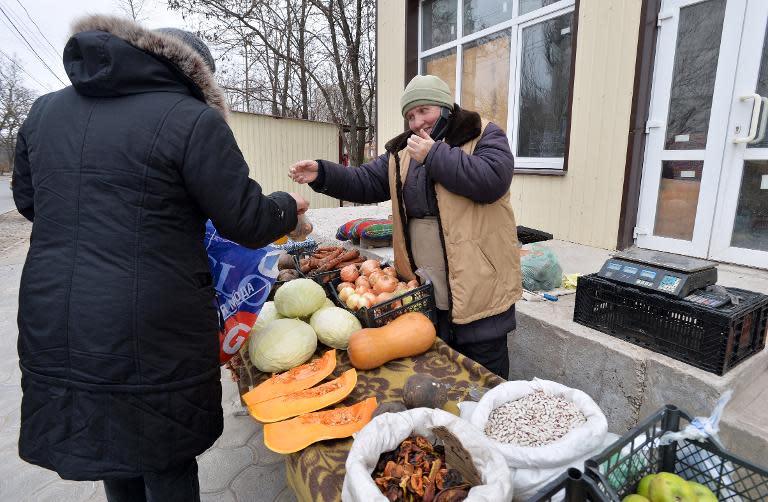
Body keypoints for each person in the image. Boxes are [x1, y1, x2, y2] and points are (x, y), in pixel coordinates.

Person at [12, 16, 308, 502]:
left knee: (115, 449)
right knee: (164, 455)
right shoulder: (190, 118)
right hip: (151, 326)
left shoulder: (43, 113)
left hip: (59, 316)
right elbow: (246, 221)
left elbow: (30, 202)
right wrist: (284, 206)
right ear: (197, 77)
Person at [289, 75, 521, 378]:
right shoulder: (402, 153)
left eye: (424, 110)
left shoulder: (483, 134)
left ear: (446, 107)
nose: (416, 122)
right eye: (410, 116)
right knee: (441, 371)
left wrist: (434, 154)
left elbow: (492, 180)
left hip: (479, 284)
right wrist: (323, 174)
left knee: (485, 375)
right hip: (426, 288)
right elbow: (364, 181)